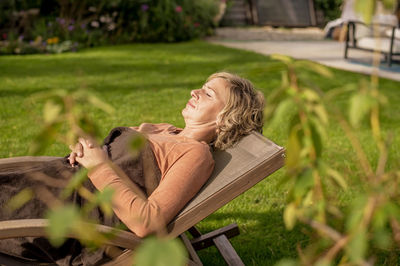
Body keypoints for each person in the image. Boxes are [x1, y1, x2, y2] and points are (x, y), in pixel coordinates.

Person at [0, 72, 264, 265]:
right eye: (201, 87)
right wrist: (88, 152)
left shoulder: (195, 153)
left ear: (225, 118)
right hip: (44, 186)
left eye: (208, 93)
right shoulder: (166, 130)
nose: (194, 92)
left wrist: (98, 166)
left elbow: (147, 222)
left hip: (53, 215)